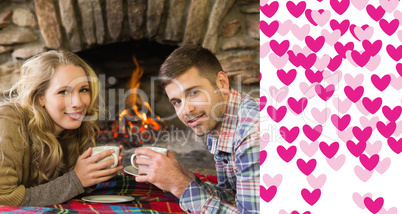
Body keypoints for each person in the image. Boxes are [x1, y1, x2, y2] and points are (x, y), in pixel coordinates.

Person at [133, 45, 260, 213]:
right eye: (177, 102)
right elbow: (235, 196)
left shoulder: (252, 133)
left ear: (221, 83)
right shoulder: (217, 123)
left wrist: (180, 185)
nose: (186, 110)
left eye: (193, 93)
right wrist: (184, 176)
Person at [0, 50, 124, 207]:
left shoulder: (69, 128)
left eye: (84, 89)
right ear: (40, 97)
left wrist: (92, 174)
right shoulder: (7, 123)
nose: (78, 103)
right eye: (63, 92)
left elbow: (52, 189)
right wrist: (76, 180)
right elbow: (4, 198)